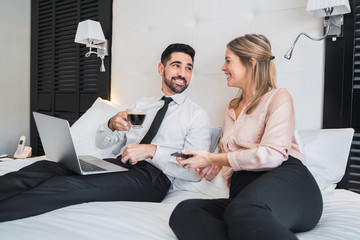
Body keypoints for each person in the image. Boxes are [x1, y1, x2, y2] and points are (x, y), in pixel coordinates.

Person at [0, 43, 214, 222]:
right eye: (177, 66)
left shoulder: (196, 115)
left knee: (65, 185)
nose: (182, 73)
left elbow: (194, 171)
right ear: (161, 68)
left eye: (188, 68)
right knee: (47, 167)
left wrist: (152, 151)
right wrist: (110, 125)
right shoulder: (142, 105)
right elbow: (104, 143)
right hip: (116, 164)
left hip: (153, 179)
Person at [169, 34, 323, 240]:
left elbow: (273, 155)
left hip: (288, 183)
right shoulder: (231, 108)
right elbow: (228, 158)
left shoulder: (278, 97)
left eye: (228, 60)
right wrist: (212, 166)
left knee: (245, 210)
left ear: (250, 63)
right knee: (185, 211)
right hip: (245, 195)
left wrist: (212, 158)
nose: (223, 68)